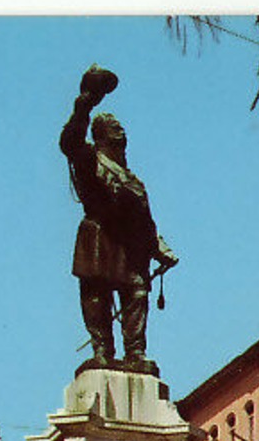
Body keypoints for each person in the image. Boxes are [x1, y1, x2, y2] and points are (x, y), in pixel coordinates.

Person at [60, 65, 178, 376]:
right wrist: (85, 104)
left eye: (121, 126)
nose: (121, 130)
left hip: (130, 242)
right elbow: (70, 142)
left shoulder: (133, 179)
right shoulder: (89, 160)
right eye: (114, 126)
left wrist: (160, 248)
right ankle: (102, 351)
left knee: (137, 292)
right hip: (99, 235)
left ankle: (135, 353)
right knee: (97, 293)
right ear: (100, 135)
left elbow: (145, 220)